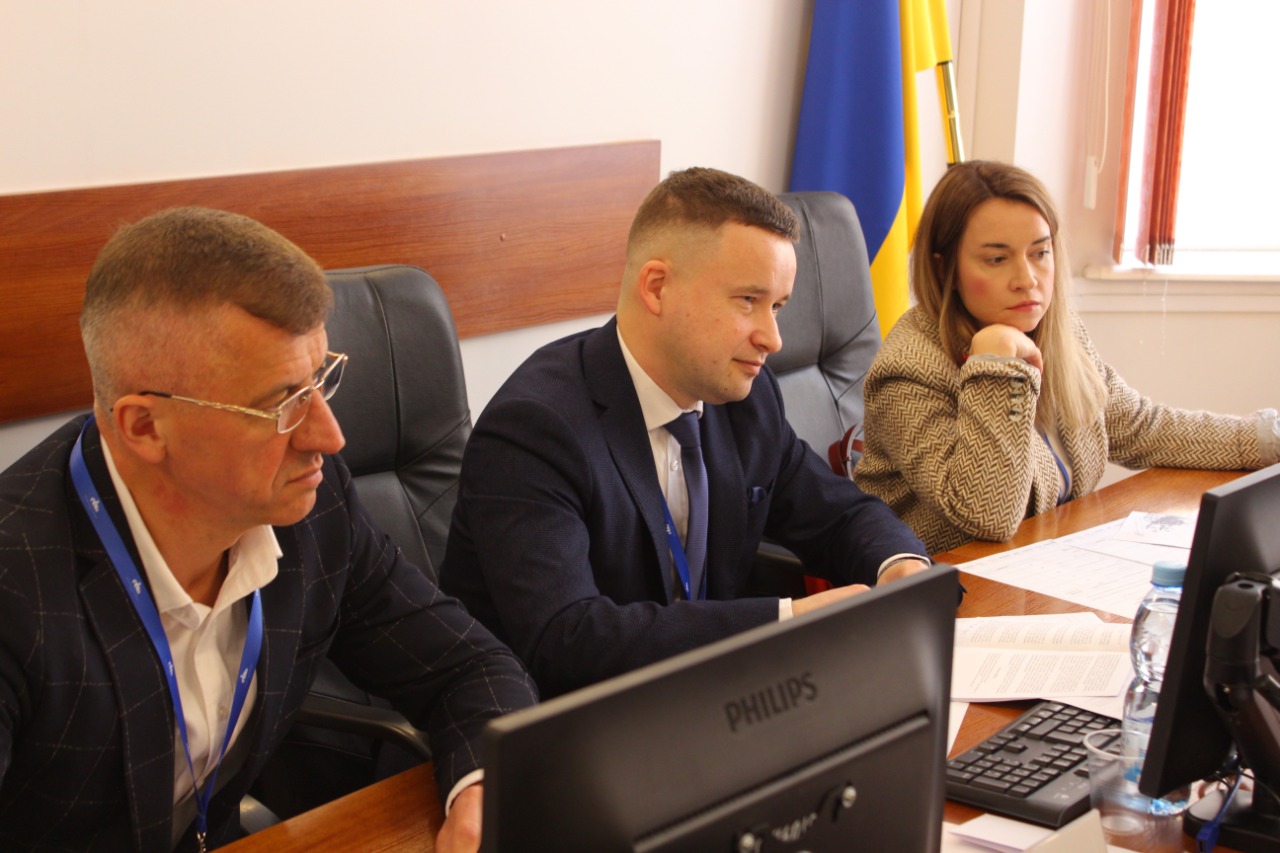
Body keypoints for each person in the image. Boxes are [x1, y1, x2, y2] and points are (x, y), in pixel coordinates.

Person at [0, 207, 537, 852]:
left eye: (319, 382)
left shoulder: (313, 505)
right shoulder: (15, 589)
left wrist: (480, 792)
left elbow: (467, 665)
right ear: (145, 427)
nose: (329, 437)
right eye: (281, 405)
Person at [439, 167, 930, 698]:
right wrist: (784, 625)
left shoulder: (747, 399)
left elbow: (838, 513)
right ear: (657, 288)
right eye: (748, 300)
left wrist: (898, 565)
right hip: (569, 719)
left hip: (713, 701)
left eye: (777, 306)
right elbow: (568, 639)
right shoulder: (535, 428)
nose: (773, 339)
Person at [853, 160, 1280, 555]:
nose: (1027, 279)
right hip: (951, 586)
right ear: (943, 268)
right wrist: (996, 367)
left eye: (1040, 253)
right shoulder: (909, 369)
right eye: (997, 259)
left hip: (1046, 566)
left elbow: (1142, 428)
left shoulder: (1058, 331)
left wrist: (1269, 437)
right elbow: (987, 516)